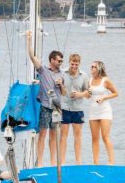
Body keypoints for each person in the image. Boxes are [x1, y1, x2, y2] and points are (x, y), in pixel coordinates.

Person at [26, 30, 66, 166]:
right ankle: (40, 162)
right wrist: (29, 40)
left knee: (54, 136)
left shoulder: (62, 74)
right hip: (45, 106)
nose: (60, 62)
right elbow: (32, 57)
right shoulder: (43, 70)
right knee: (42, 134)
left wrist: (61, 85)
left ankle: (53, 162)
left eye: (62, 61)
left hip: (57, 107)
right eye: (59, 60)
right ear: (52, 60)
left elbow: (64, 94)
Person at [59, 53, 91, 165]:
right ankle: (62, 161)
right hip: (64, 107)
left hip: (78, 108)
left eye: (76, 64)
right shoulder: (62, 72)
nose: (74, 66)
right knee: (63, 135)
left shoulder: (84, 75)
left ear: (79, 64)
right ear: (69, 62)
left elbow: (88, 93)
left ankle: (78, 161)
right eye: (72, 63)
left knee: (78, 135)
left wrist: (79, 94)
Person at [88, 61, 118, 165]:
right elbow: (88, 95)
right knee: (94, 138)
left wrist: (104, 97)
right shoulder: (90, 80)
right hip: (93, 111)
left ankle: (111, 162)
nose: (91, 68)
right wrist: (81, 94)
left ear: (99, 69)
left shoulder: (105, 81)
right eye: (91, 66)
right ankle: (95, 162)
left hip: (105, 111)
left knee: (105, 136)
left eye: (94, 67)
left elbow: (116, 93)